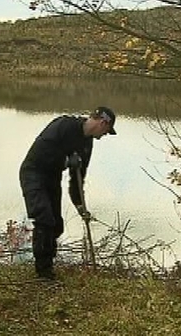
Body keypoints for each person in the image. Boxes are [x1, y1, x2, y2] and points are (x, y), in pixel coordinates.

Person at [19, 106, 117, 280]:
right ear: (103, 123)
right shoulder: (64, 125)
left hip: (52, 177)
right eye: (107, 131)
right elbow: (41, 152)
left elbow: (77, 180)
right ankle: (43, 274)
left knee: (56, 224)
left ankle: (48, 264)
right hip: (33, 172)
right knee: (44, 218)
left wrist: (80, 206)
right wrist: (65, 160)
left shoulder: (87, 144)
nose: (104, 136)